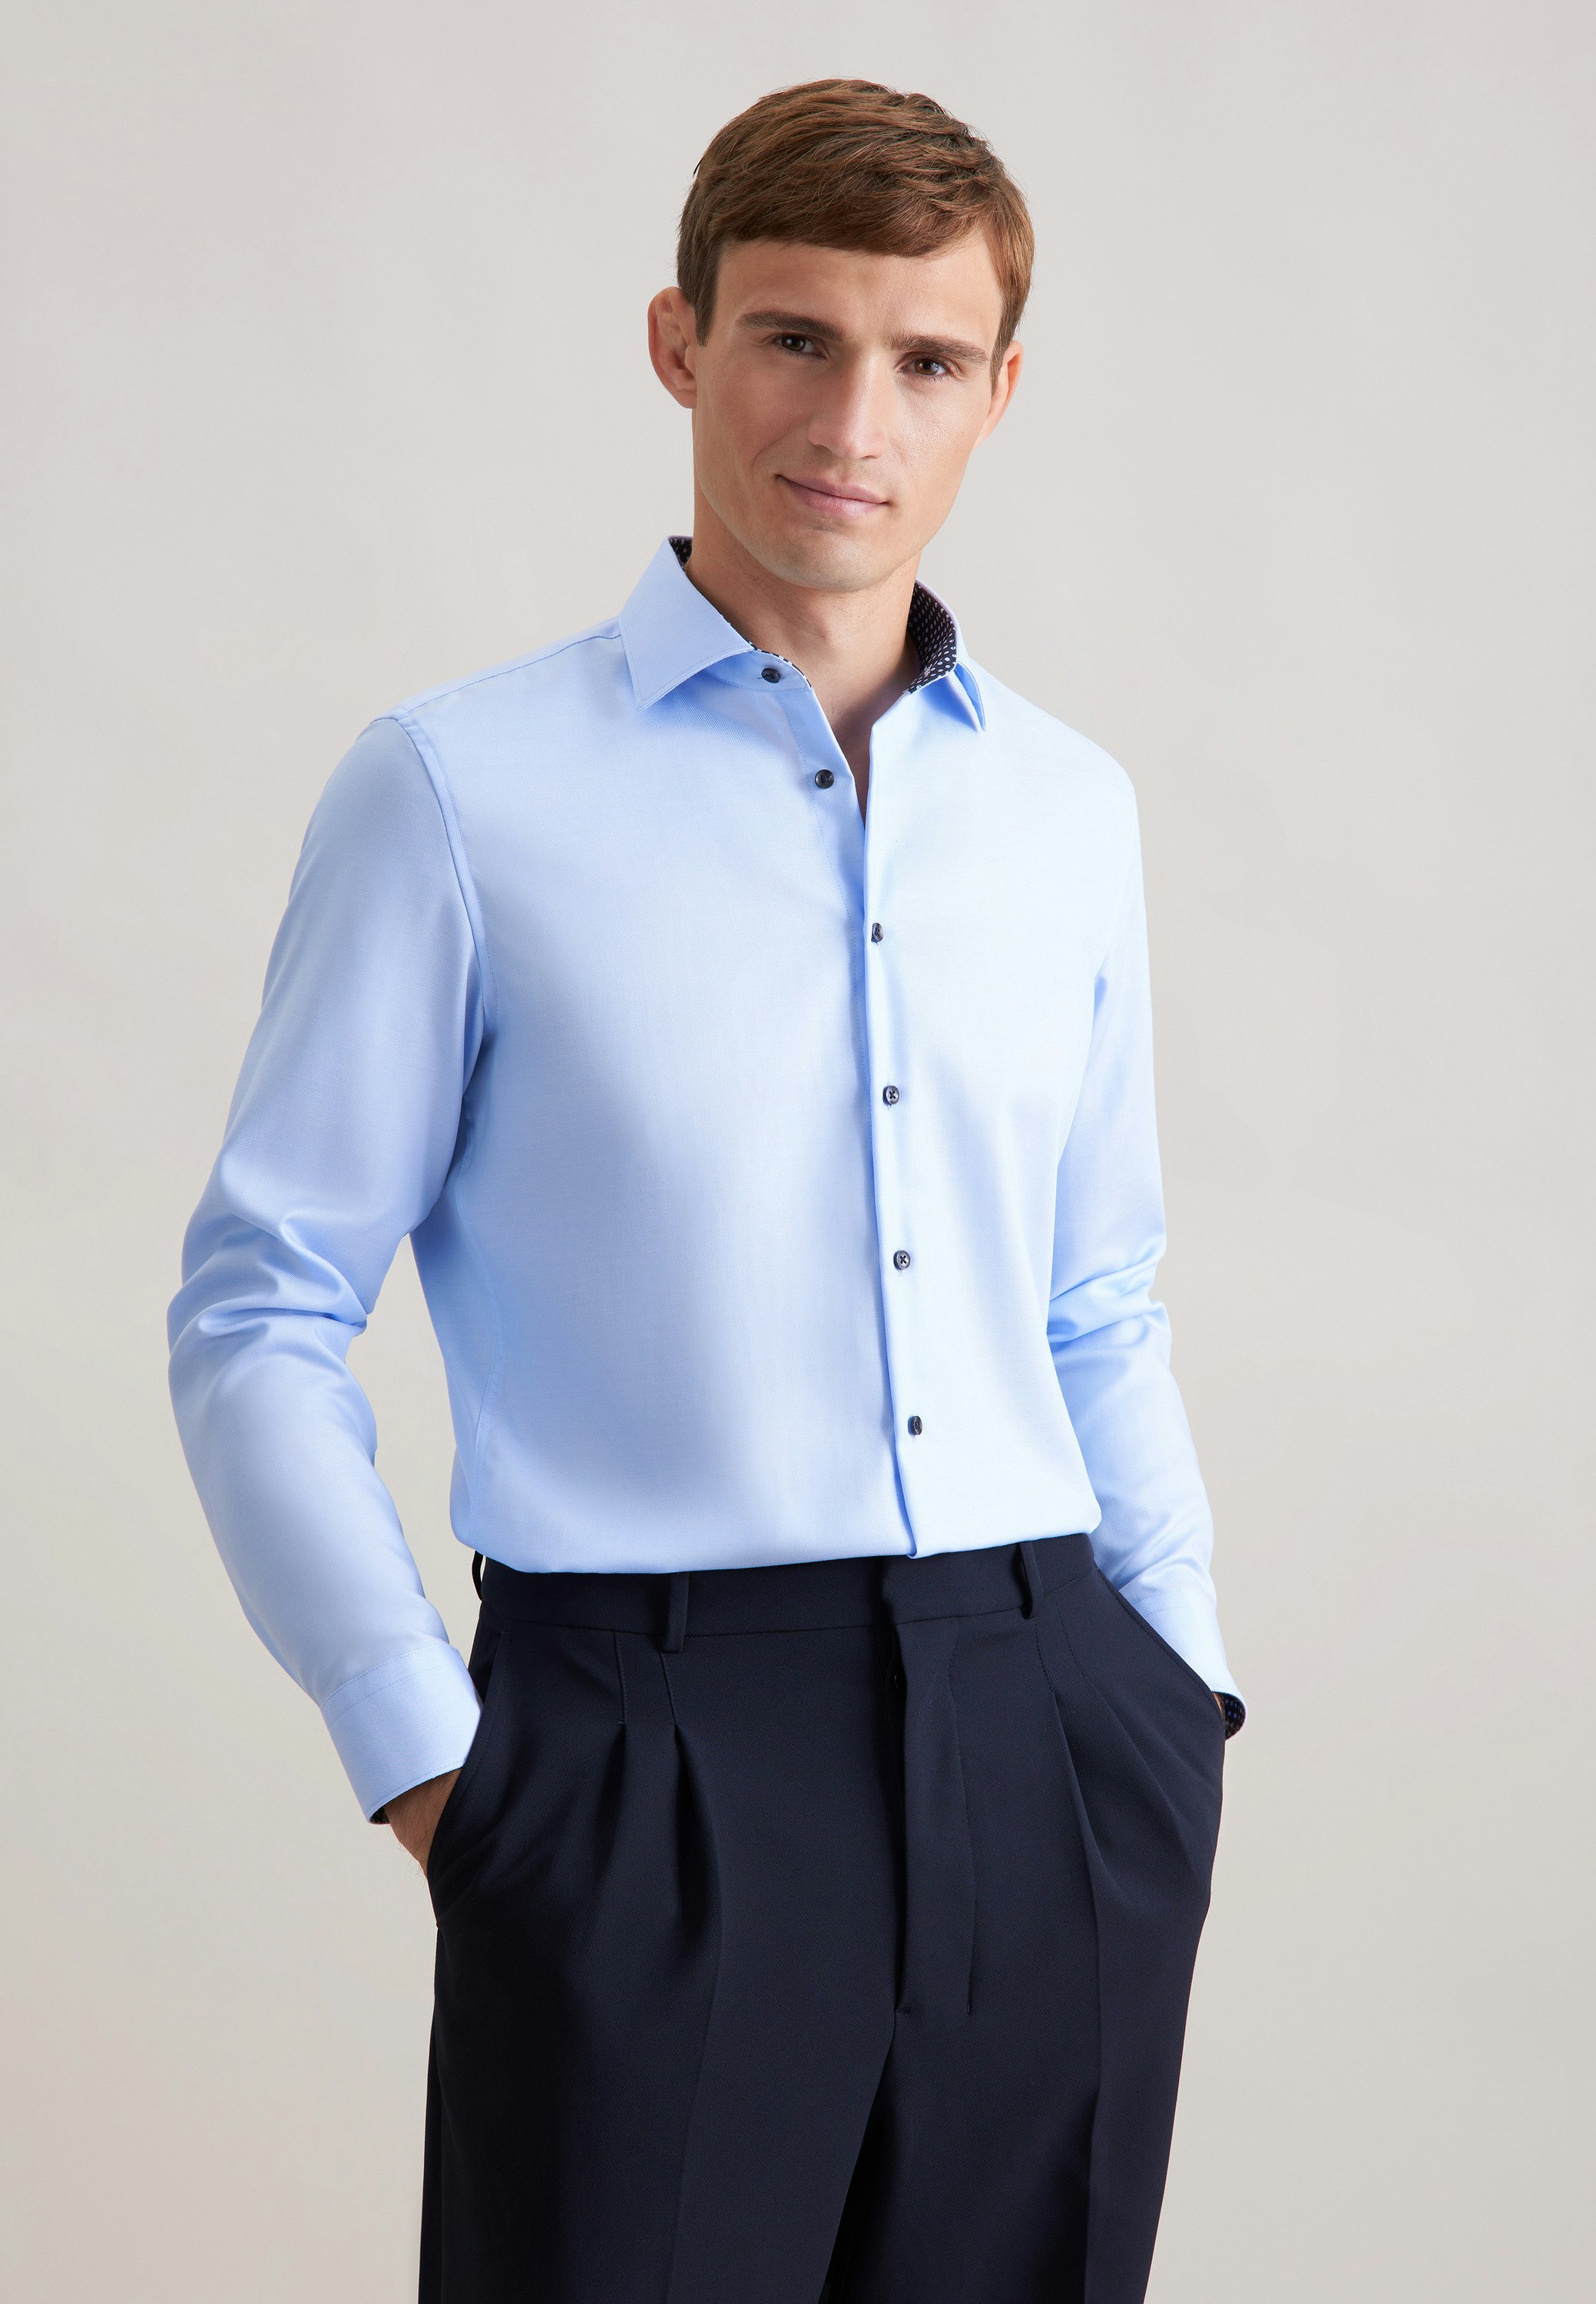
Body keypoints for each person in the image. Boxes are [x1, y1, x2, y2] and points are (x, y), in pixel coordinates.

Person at [168, 76, 1245, 2304]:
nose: (852, 421)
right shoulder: (459, 793)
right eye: (795, 339)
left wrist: (1176, 1696)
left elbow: (1098, 1294)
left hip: (1046, 1725)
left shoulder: (1068, 812)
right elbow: (261, 1309)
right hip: (645, 1749)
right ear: (680, 344)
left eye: (925, 360)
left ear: (998, 396)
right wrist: (433, 1762)